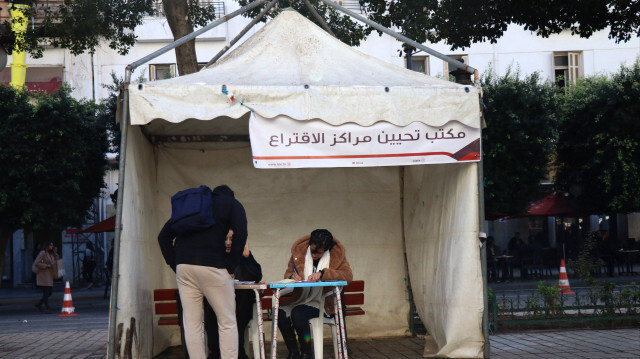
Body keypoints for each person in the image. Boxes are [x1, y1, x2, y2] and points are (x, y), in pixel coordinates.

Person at [158, 185, 248, 359]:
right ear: (231, 196)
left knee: (192, 324)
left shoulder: (195, 204)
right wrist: (231, 266)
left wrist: (175, 264)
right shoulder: (232, 204)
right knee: (227, 322)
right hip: (213, 265)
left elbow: (163, 237)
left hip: (184, 268)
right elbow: (241, 233)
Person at [278, 229, 353, 359]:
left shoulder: (336, 255)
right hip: (300, 298)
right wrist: (292, 276)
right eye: (312, 250)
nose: (313, 255)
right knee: (280, 314)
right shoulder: (299, 252)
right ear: (309, 244)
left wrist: (324, 274)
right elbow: (287, 273)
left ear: (326, 249)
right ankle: (294, 352)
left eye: (318, 252)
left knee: (298, 314)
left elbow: (348, 275)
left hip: (324, 303)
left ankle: (307, 353)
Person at [205, 232, 262, 359]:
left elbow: (256, 276)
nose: (228, 242)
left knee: (240, 306)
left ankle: (237, 353)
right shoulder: (213, 255)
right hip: (216, 306)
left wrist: (247, 256)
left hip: (239, 308)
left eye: (232, 239)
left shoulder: (242, 255)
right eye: (225, 238)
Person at [33, 242, 59, 314]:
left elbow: (56, 261)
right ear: (47, 246)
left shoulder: (50, 254)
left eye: (52, 245)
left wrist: (55, 252)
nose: (52, 246)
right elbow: (36, 263)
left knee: (49, 292)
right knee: (46, 292)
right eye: (50, 245)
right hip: (43, 274)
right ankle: (47, 307)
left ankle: (39, 304)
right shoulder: (43, 253)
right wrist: (46, 266)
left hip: (49, 275)